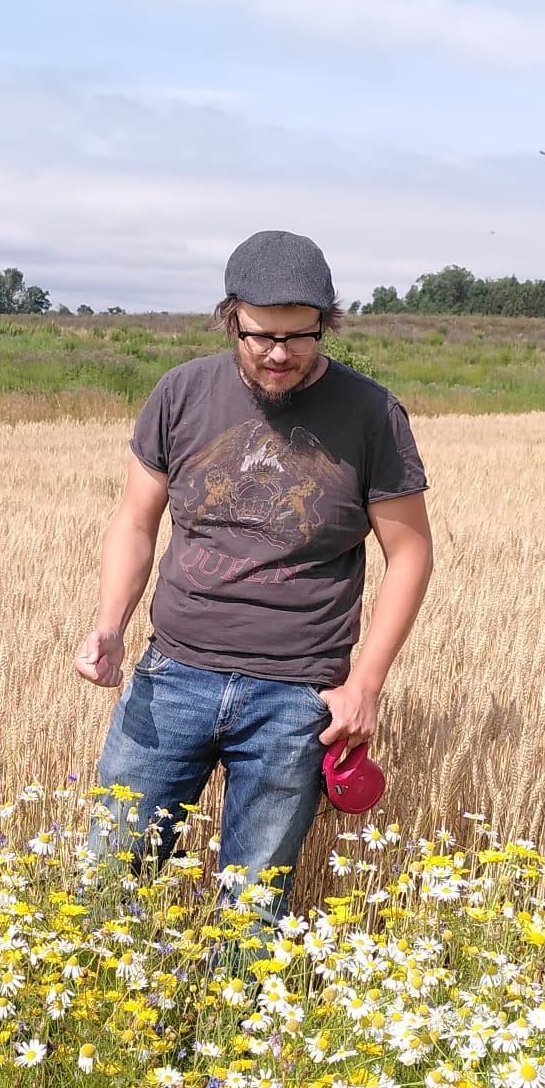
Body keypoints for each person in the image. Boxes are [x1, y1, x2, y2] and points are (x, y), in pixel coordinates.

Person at [75, 230, 434, 919]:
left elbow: (410, 553)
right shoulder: (182, 393)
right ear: (230, 316)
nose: (279, 354)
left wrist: (365, 683)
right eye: (260, 335)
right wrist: (111, 625)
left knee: (253, 907)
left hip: (296, 700)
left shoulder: (371, 415)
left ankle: (235, 1020)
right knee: (109, 885)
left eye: (300, 337)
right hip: (172, 677)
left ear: (326, 324)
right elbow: (135, 520)